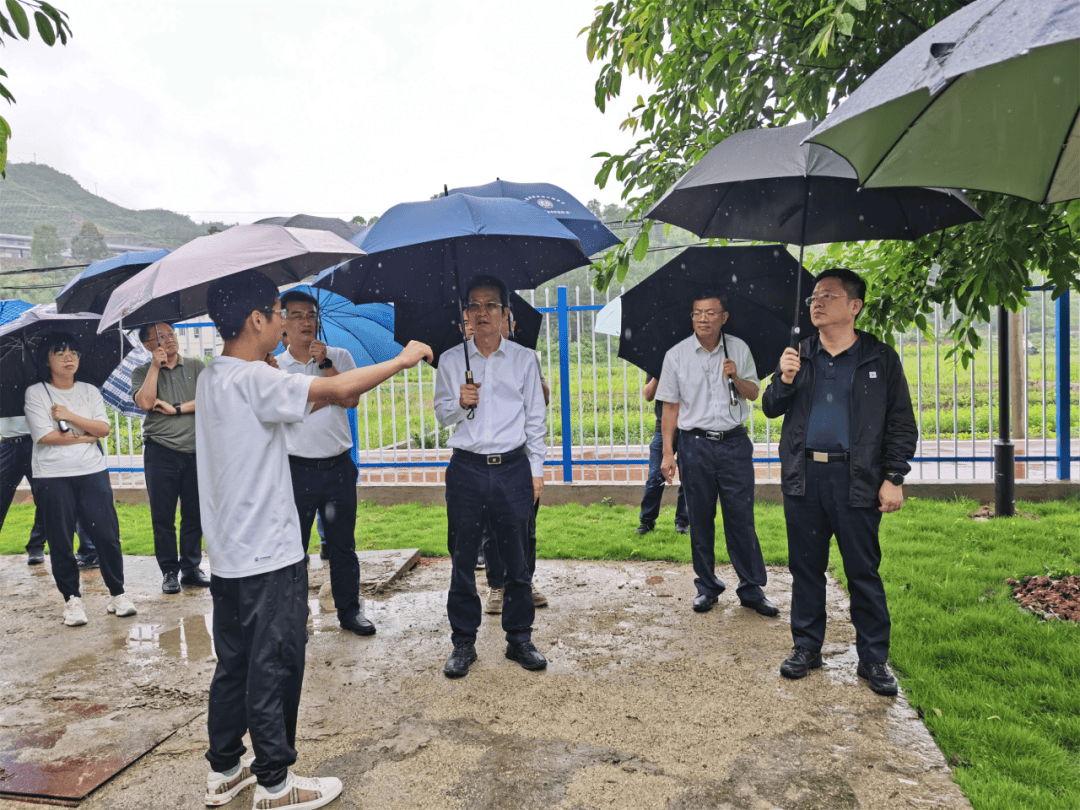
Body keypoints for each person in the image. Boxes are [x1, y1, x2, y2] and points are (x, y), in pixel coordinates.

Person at [197, 270, 430, 809]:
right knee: (275, 664)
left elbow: (309, 401)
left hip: (230, 557)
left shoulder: (217, 376)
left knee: (234, 664)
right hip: (268, 556)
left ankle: (224, 771)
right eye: (279, 311)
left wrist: (274, 371)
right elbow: (341, 388)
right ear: (256, 319)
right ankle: (275, 783)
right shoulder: (256, 380)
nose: (285, 321)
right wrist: (402, 358)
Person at [762, 268, 917, 697]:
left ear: (854, 307)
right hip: (805, 477)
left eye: (828, 296)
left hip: (858, 479)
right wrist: (784, 378)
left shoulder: (878, 359)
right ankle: (807, 648)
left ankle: (872, 659)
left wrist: (893, 478)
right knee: (805, 569)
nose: (816, 302)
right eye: (814, 296)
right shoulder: (799, 354)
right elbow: (771, 408)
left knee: (863, 571)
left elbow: (902, 424)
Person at [434, 276, 547, 678]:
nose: (482, 313)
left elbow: (536, 418)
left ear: (505, 314)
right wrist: (458, 403)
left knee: (518, 560)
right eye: (474, 306)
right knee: (462, 558)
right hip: (466, 469)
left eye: (491, 306)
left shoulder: (523, 359)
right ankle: (464, 642)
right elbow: (440, 414)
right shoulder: (450, 360)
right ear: (465, 313)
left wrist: (536, 471)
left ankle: (519, 639)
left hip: (513, 468)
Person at [657, 292, 778, 618]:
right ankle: (707, 587)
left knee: (741, 518)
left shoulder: (738, 349)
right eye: (697, 313)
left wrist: (736, 377)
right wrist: (668, 454)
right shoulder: (676, 355)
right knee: (699, 517)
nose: (703, 319)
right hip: (694, 446)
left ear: (724, 317)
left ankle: (751, 589)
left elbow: (754, 393)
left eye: (711, 313)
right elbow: (670, 406)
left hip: (734, 444)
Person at [277, 289, 372, 637]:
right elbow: (284, 415)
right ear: (283, 323)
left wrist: (327, 366)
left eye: (311, 314)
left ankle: (349, 611)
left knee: (343, 545)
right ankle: (294, 615)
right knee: (293, 548)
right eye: (297, 315)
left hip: (337, 467)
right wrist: (327, 394)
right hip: (295, 468)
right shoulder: (276, 367)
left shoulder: (339, 357)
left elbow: (350, 398)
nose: (306, 321)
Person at [23, 332, 135, 627]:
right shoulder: (36, 393)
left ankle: (118, 594)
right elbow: (44, 436)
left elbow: (103, 428)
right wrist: (85, 436)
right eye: (59, 353)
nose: (68, 357)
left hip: (92, 472)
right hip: (53, 476)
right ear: (46, 360)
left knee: (107, 536)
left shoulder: (89, 391)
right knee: (61, 539)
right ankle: (72, 600)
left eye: (73, 352)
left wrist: (69, 416)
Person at [469, 306, 551, 616]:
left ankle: (525, 582)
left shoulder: (526, 358)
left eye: (499, 316)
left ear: (510, 322)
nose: (490, 321)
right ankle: (497, 586)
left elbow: (542, 399)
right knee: (492, 526)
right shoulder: (468, 360)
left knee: (525, 525)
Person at [131, 322, 209, 594]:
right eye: (160, 336)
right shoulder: (141, 372)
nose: (169, 339)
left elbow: (210, 399)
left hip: (195, 451)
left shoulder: (197, 367)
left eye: (171, 334)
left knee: (194, 513)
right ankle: (169, 572)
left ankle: (191, 568)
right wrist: (155, 367)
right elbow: (144, 402)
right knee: (162, 516)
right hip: (160, 451)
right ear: (148, 345)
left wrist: (177, 409)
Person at [634, 374, 689, 536]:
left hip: (691, 429)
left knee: (690, 477)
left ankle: (682, 522)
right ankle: (646, 521)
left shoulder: (693, 361)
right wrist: (658, 374)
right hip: (663, 428)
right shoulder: (657, 361)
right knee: (655, 476)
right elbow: (648, 395)